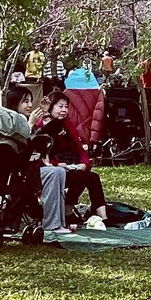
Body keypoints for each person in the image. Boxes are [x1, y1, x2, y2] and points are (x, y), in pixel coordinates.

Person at [5, 87, 71, 234]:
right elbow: (19, 144)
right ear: (15, 104)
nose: (29, 105)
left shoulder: (22, 119)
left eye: (30, 101)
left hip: (30, 168)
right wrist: (30, 124)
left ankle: (59, 223)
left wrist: (44, 116)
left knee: (59, 172)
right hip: (18, 173)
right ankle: (52, 225)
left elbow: (44, 134)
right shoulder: (13, 120)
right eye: (25, 102)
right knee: (54, 174)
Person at [35, 92, 108, 223]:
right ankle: (68, 210)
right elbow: (39, 154)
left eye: (66, 107)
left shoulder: (67, 124)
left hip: (71, 165)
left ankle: (103, 216)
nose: (64, 110)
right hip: (52, 169)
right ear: (50, 107)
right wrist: (57, 164)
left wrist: (84, 163)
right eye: (60, 106)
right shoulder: (41, 125)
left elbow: (79, 147)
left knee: (91, 176)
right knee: (79, 177)